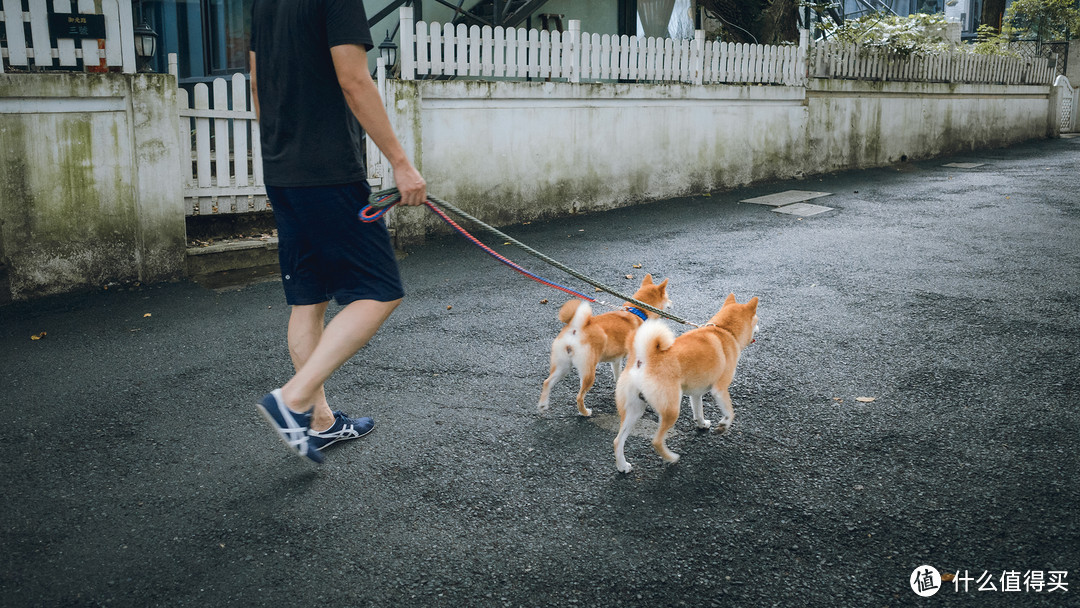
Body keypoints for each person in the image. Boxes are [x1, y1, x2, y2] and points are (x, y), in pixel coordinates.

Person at [249, 0, 426, 464]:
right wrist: (402, 165)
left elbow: (256, 84)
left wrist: (278, 151)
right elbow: (353, 79)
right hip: (327, 171)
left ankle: (321, 423)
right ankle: (293, 400)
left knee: (308, 298)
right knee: (381, 290)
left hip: (283, 169)